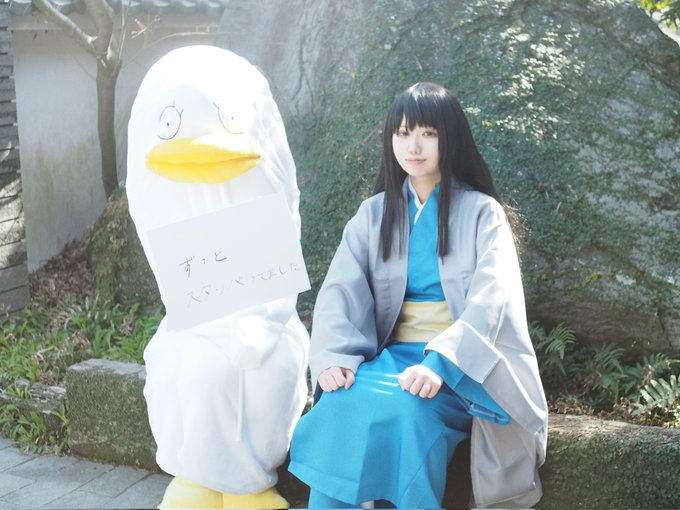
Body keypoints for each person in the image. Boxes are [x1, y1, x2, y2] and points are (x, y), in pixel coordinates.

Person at [288, 82, 548, 509]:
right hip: (393, 359)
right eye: (403, 132)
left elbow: (493, 297)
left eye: (428, 133)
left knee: (410, 412)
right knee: (339, 403)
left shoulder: (483, 213)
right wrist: (333, 356)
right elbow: (340, 291)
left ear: (451, 138)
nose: (413, 145)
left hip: (462, 369)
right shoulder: (373, 215)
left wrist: (441, 363)